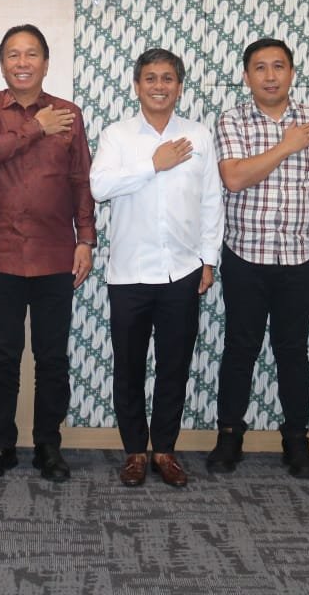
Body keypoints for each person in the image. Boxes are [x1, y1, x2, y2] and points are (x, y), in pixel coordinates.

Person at [89, 48, 222, 488]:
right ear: (137, 85)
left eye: (167, 78)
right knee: (128, 368)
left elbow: (211, 202)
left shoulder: (199, 136)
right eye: (150, 78)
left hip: (182, 272)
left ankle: (163, 450)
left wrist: (208, 260)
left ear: (179, 86)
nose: (159, 86)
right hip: (129, 273)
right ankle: (134, 451)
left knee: (173, 367)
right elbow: (99, 186)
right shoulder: (117, 135)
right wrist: (152, 164)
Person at [0, 24, 96, 482]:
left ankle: (48, 446)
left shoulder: (69, 113)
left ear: (45, 62)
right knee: (1, 359)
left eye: (31, 54)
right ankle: (0, 445)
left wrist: (86, 239)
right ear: (2, 63)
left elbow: (81, 180)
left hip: (55, 254)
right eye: (13, 54)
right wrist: (37, 127)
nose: (22, 62)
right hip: (0, 253)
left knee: (52, 358)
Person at [206, 38, 309, 477]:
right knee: (239, 348)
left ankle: (296, 440)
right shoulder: (232, 120)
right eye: (260, 68)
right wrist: (286, 145)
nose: (270, 76)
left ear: (292, 73)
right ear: (246, 76)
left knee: (293, 350)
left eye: (278, 66)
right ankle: (229, 437)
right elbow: (234, 178)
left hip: (301, 258)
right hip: (245, 256)